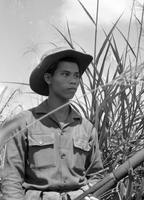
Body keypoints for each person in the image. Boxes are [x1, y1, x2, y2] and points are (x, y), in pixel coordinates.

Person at [1, 47, 104, 200]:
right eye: (65, 74)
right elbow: (11, 178)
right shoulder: (24, 122)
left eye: (76, 75)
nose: (73, 80)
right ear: (48, 78)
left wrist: (89, 194)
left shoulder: (86, 128)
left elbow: (96, 175)